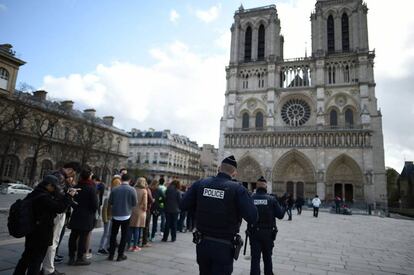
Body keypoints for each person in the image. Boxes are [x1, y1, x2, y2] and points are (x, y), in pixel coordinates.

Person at [180, 155, 258, 275]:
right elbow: (253, 217)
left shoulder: (200, 183)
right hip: (224, 246)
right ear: (234, 173)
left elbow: (183, 205)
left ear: (219, 168)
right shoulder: (238, 189)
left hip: (202, 243)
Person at [14, 175, 76, 275]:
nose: (54, 189)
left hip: (31, 231)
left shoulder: (35, 193)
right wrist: (69, 196)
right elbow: (59, 208)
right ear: (48, 185)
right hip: (41, 232)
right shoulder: (44, 197)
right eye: (54, 186)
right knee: (36, 260)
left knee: (26, 256)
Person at [41, 163, 78, 275]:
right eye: (73, 173)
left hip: (49, 213)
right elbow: (60, 198)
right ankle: (49, 269)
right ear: (71, 170)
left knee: (47, 241)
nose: (73, 176)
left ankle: (43, 267)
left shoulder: (54, 174)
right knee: (53, 241)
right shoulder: (61, 177)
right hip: (57, 213)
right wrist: (70, 192)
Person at [248, 176, 285, 275]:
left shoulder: (251, 198)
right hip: (268, 234)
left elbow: (245, 215)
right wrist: (283, 205)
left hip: (254, 232)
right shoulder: (272, 199)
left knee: (255, 258)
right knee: (267, 257)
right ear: (266, 187)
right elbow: (280, 215)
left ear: (256, 187)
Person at [67, 169, 98, 266]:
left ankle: (71, 257)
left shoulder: (76, 186)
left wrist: (76, 207)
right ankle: (79, 258)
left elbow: (70, 200)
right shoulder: (91, 188)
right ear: (89, 177)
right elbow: (95, 204)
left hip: (76, 214)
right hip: (87, 215)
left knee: (73, 236)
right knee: (83, 238)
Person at [107, 173, 137, 261]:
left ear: (121, 179)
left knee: (113, 235)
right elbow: (134, 203)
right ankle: (120, 255)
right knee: (124, 235)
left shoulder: (115, 189)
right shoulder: (132, 189)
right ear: (129, 180)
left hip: (115, 215)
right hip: (126, 215)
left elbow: (110, 202)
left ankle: (111, 254)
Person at [98, 176, 121, 255]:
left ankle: (106, 246)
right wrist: (105, 219)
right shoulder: (110, 194)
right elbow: (104, 209)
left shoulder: (114, 193)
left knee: (110, 233)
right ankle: (101, 248)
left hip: (112, 217)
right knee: (106, 233)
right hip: (108, 217)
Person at [128, 177, 148, 251]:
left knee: (130, 228)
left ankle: (128, 245)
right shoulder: (144, 191)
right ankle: (135, 246)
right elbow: (145, 202)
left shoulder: (133, 189)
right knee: (137, 228)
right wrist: (145, 209)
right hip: (140, 211)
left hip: (132, 210)